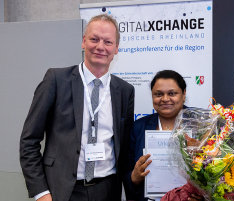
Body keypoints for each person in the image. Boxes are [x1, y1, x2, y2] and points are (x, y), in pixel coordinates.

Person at [19, 14, 134, 201]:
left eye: (108, 42)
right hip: (63, 191)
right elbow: (29, 141)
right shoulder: (56, 80)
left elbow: (125, 146)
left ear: (116, 48)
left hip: (108, 189)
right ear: (83, 42)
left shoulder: (124, 90)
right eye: (94, 39)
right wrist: (41, 192)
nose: (100, 47)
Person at [126, 70, 201, 201]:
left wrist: (202, 196)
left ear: (184, 94)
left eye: (172, 93)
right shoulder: (138, 127)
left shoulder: (201, 125)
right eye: (158, 94)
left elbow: (215, 176)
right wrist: (134, 177)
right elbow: (125, 172)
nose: (165, 99)